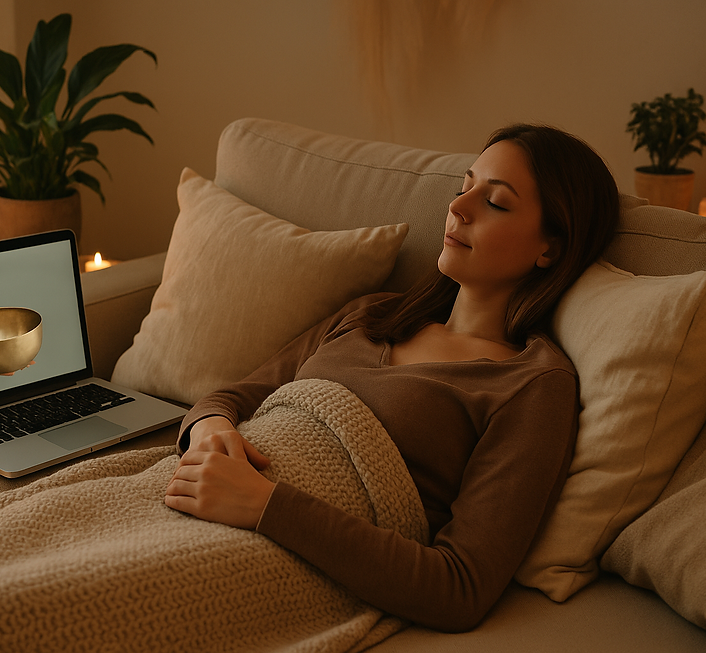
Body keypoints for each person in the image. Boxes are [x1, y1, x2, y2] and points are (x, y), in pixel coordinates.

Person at [164, 123, 621, 632]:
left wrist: (264, 505)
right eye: (463, 186)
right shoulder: (372, 314)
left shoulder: (532, 384)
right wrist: (210, 431)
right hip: (188, 490)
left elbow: (460, 587)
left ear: (550, 249)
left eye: (495, 202)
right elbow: (231, 397)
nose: (459, 207)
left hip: (269, 549)